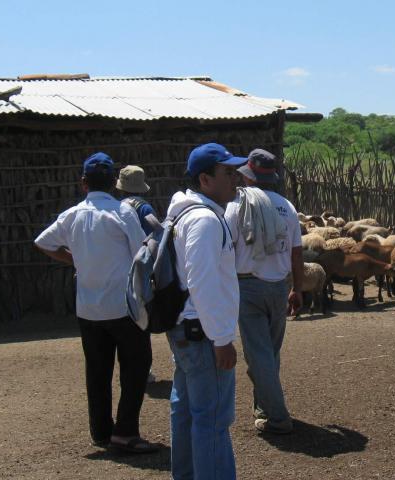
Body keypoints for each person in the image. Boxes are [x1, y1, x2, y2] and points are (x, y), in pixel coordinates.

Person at [34, 152, 156, 453]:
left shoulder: (72, 215)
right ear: (114, 184)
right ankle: (125, 432)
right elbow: (143, 254)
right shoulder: (122, 213)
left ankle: (101, 432)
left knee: (98, 371)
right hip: (123, 306)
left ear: (83, 183)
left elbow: (43, 242)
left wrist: (75, 259)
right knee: (136, 366)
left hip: (88, 309)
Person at [166, 143, 246, 480]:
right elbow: (202, 283)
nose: (236, 179)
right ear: (205, 179)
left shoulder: (184, 212)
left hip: (187, 330)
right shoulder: (204, 220)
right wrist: (221, 338)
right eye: (227, 173)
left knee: (186, 412)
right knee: (212, 419)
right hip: (201, 333)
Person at [224, 148, 303, 434]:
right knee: (270, 353)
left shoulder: (235, 207)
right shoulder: (288, 208)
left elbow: (226, 249)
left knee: (259, 356)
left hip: (248, 286)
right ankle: (263, 408)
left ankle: (279, 419)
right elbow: (296, 255)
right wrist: (298, 289)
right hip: (279, 287)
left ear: (248, 176)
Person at [115, 164, 159, 384]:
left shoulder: (114, 208)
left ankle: (128, 369)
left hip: (118, 271)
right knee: (141, 320)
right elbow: (155, 236)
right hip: (139, 271)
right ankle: (143, 371)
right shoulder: (144, 208)